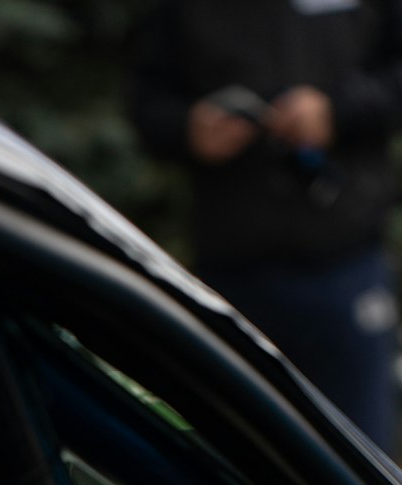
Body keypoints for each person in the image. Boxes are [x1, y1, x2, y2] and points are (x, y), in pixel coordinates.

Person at [126, 0, 402, 453]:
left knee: (362, 463)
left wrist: (335, 111)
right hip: (232, 280)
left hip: (348, 269)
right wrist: (187, 129)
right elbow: (146, 100)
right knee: (240, 466)